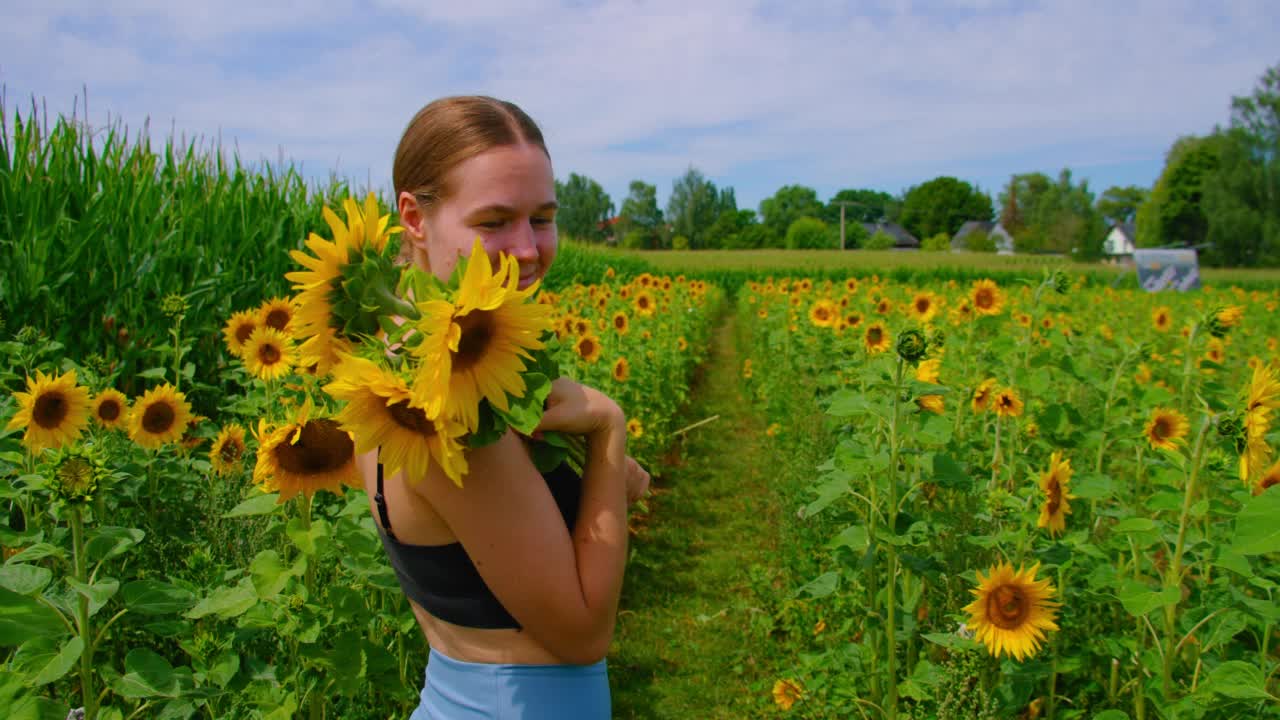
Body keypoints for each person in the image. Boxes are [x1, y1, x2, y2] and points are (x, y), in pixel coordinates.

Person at [355, 95, 650, 720]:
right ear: (413, 216)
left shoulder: (394, 359)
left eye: (542, 218)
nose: (526, 248)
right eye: (493, 221)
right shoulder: (448, 409)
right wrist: (607, 426)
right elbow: (581, 632)